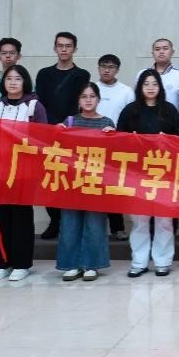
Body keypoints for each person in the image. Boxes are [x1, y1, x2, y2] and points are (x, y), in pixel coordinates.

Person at [0, 63, 45, 281]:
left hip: (22, 173)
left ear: (25, 82)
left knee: (21, 218)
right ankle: (3, 263)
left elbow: (43, 140)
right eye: (9, 79)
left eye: (17, 79)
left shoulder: (34, 107)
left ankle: (22, 264)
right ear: (3, 83)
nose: (13, 83)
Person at [118, 70, 179, 278]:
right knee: (139, 221)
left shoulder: (169, 110)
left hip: (164, 172)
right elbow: (119, 138)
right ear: (140, 87)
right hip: (137, 173)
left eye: (155, 84)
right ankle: (139, 262)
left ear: (160, 87)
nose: (151, 87)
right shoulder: (130, 111)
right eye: (146, 84)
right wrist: (131, 140)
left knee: (164, 220)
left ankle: (163, 261)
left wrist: (167, 140)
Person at [34, 31, 90, 239]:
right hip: (47, 133)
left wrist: (67, 125)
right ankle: (54, 221)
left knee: (70, 179)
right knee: (49, 179)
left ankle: (70, 222)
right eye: (60, 45)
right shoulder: (44, 74)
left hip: (72, 133)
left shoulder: (82, 75)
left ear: (75, 49)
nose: (64, 49)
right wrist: (49, 126)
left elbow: (80, 103)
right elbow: (40, 104)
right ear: (55, 48)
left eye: (68, 46)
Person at [56, 82, 114, 281]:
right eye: (84, 96)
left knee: (94, 224)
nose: (88, 100)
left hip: (96, 181)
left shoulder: (106, 122)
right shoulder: (70, 121)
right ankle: (71, 265)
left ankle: (91, 265)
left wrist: (112, 136)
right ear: (78, 100)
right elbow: (58, 147)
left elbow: (114, 155)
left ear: (98, 99)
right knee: (70, 223)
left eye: (92, 96)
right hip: (72, 180)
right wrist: (57, 132)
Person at [95, 53, 135, 241]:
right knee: (94, 187)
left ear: (117, 69)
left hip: (117, 146)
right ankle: (96, 228)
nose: (107, 70)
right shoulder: (92, 89)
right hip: (92, 147)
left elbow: (131, 117)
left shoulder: (126, 91)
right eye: (103, 66)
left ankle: (117, 228)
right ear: (98, 68)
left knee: (114, 188)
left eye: (111, 67)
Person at [136, 38, 179, 111]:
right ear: (152, 53)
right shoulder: (142, 74)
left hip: (173, 117)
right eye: (157, 49)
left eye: (165, 48)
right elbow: (137, 97)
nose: (161, 52)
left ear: (172, 52)